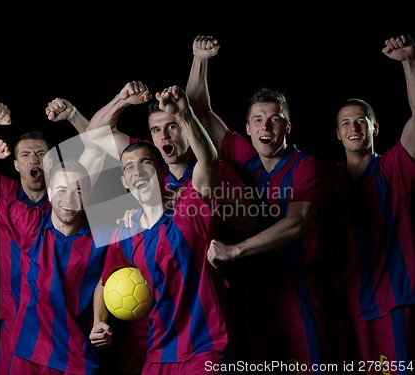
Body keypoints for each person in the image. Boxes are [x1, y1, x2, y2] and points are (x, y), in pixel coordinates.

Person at [85, 81, 255, 372]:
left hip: (206, 343)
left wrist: (186, 112)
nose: (138, 172)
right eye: (128, 168)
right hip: (160, 348)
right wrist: (98, 322)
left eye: (146, 165)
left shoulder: (190, 204)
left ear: (162, 171)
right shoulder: (123, 229)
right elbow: (104, 282)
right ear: (124, 182)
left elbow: (209, 161)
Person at [186, 35, 332, 371]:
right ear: (248, 129)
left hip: (296, 284)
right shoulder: (244, 155)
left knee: (307, 365)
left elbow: (296, 224)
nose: (266, 125)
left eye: (275, 118)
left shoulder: (307, 167)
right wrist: (199, 59)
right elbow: (200, 111)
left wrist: (235, 250)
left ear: (287, 126)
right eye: (258, 119)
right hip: (253, 286)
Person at [0, 99, 95, 374]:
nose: (34, 159)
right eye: (26, 155)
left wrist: (74, 115)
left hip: (64, 323)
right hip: (16, 317)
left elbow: (105, 156)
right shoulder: (5, 193)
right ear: (16, 165)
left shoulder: (70, 202)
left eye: (40, 154)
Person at [326, 34, 415, 374]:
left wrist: (409, 62)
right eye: (346, 122)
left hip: (394, 304)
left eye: (361, 121)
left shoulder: (393, 167)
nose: (353, 127)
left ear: (374, 128)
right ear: (336, 133)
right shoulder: (324, 179)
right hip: (345, 308)